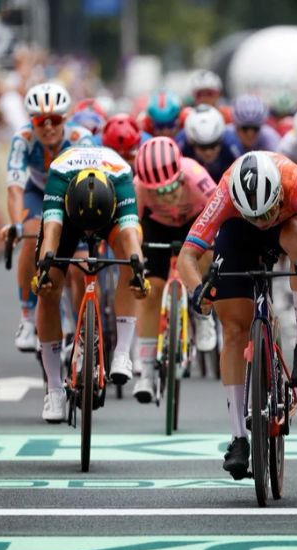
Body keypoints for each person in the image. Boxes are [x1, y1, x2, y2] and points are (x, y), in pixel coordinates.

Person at [176, 151, 297, 478]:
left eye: (268, 212)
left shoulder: (296, 182)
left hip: (287, 227)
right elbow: (188, 256)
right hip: (238, 232)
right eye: (257, 216)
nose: (263, 220)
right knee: (234, 330)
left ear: (279, 194)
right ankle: (238, 437)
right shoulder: (224, 192)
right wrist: (197, 291)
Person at [32, 145, 149, 422]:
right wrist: (44, 272)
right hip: (69, 217)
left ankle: (122, 353)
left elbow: (132, 237)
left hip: (108, 213)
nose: (89, 235)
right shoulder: (59, 177)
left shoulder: (121, 177)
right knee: (48, 291)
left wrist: (139, 272)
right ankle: (54, 390)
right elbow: (51, 233)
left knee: (130, 260)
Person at [2, 82, 91, 352]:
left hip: (73, 197)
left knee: (79, 268)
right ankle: (27, 319)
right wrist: (16, 224)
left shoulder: (81, 139)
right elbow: (15, 188)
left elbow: (92, 185)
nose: (48, 127)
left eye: (54, 120)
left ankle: (81, 332)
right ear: (32, 121)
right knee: (30, 238)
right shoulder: (23, 139)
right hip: (38, 193)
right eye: (41, 121)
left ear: (65, 119)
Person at [132, 137, 218, 403]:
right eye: (157, 191)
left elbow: (221, 214)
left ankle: (203, 315)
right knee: (151, 291)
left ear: (180, 175)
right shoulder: (137, 187)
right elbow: (130, 228)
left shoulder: (197, 178)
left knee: (206, 254)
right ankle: (146, 373)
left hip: (195, 221)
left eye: (171, 187)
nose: (166, 195)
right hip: (156, 226)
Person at [178, 104, 237, 182]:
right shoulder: (181, 146)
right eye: (202, 147)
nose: (208, 153)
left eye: (213, 146)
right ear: (191, 143)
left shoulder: (232, 146)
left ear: (221, 140)